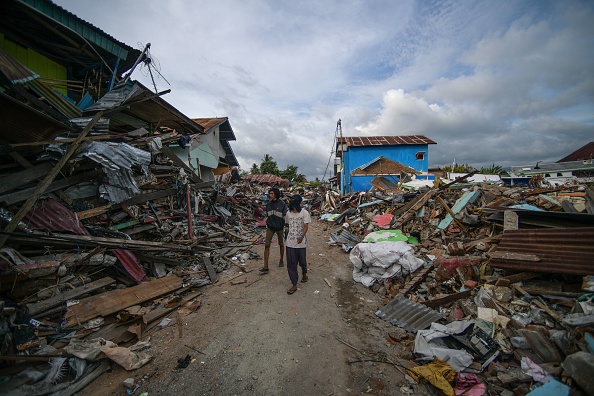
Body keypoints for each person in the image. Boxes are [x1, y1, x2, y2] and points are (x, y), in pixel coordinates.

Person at [284, 194, 311, 294]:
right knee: (291, 263)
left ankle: (304, 273)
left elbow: (305, 227)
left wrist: (301, 236)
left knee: (302, 261)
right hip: (290, 243)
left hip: (301, 243)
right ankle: (294, 284)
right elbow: (287, 225)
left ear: (297, 201)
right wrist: (286, 233)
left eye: (292, 199)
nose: (290, 201)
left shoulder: (304, 213)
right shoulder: (288, 213)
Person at [260, 188, 287, 274]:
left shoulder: (282, 204)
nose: (270, 195)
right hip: (270, 227)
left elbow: (285, 216)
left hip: (279, 227)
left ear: (276, 194)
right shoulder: (268, 204)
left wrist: (286, 226)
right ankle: (265, 266)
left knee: (281, 244)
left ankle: (281, 260)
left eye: (271, 193)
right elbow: (267, 215)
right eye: (269, 193)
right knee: (267, 245)